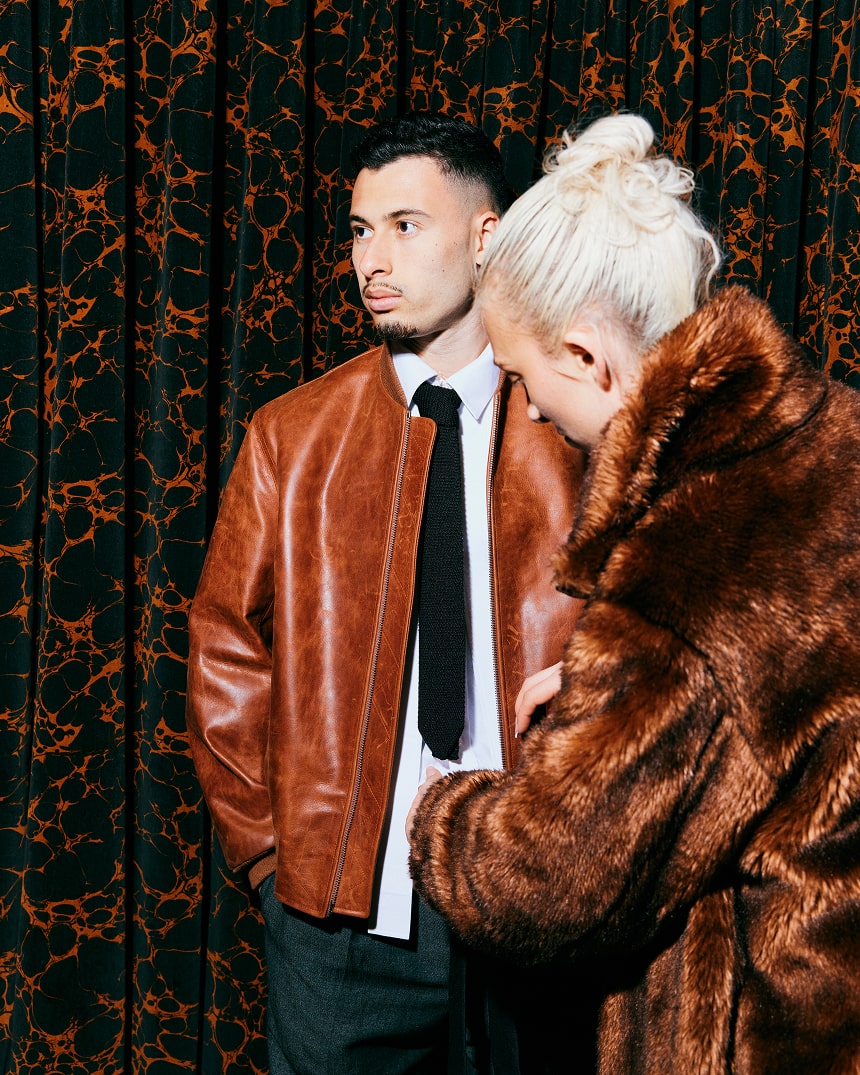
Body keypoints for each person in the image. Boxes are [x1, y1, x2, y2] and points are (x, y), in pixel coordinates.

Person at [407, 112, 860, 1074]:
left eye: (525, 376)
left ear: (586, 356)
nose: (530, 409)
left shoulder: (684, 567)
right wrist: (607, 699)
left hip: (773, 1033)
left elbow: (545, 886)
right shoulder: (835, 433)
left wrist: (443, 814)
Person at [185, 111, 588, 1074]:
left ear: (486, 237)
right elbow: (225, 647)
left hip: (539, 896)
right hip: (345, 916)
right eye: (362, 230)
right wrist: (272, 855)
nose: (373, 258)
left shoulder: (574, 425)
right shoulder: (292, 435)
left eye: (407, 226)